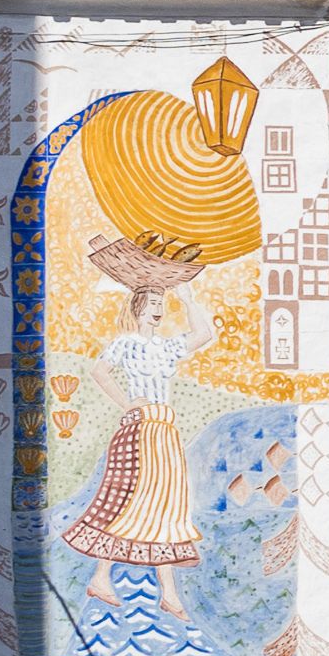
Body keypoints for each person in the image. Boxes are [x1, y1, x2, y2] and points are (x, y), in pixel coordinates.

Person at [64, 236, 208, 617]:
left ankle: (167, 593)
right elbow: (99, 371)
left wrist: (189, 300)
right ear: (139, 307)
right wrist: (127, 402)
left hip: (165, 430)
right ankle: (104, 578)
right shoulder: (127, 343)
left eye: (162, 303)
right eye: (153, 303)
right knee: (130, 503)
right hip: (140, 427)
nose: (159, 310)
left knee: (166, 508)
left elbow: (203, 335)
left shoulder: (165, 347)